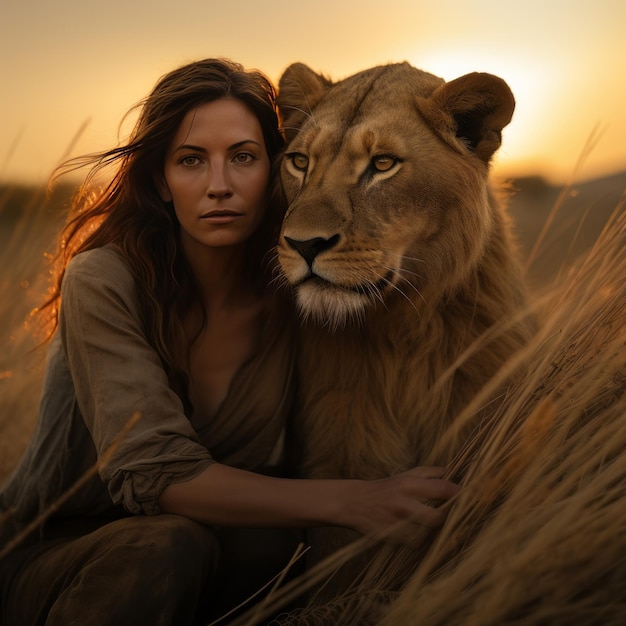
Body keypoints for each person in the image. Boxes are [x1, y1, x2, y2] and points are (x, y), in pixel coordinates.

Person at [0, 58, 460, 625]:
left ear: (273, 169)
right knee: (164, 547)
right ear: (159, 182)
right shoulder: (101, 279)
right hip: (54, 547)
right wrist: (355, 500)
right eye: (191, 161)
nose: (219, 186)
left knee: (288, 553)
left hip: (206, 537)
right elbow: (155, 474)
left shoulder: (297, 286)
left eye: (243, 157)